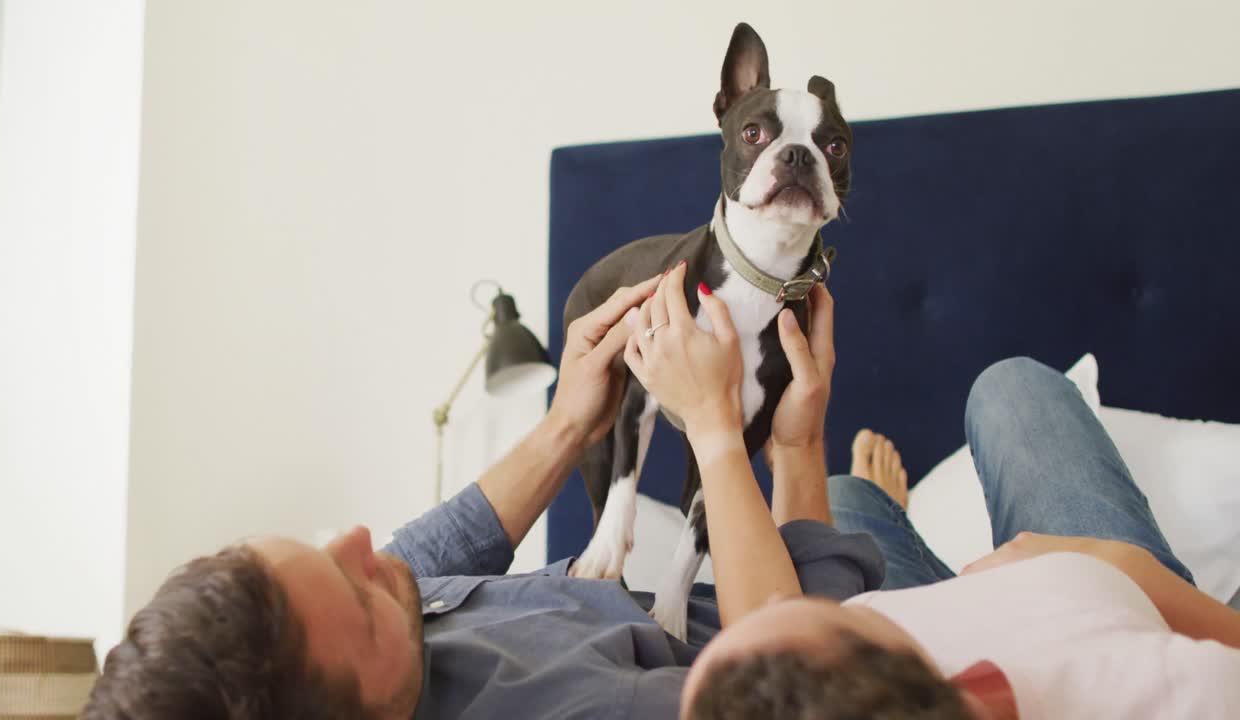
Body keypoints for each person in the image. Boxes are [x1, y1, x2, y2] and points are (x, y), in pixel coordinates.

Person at [83, 263, 883, 719]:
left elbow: (427, 551)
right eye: (355, 593)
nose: (363, 541)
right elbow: (806, 671)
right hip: (832, 607)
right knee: (1003, 399)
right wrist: (774, 441)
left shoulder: (367, 636)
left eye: (323, 552)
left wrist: (570, 422)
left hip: (763, 576)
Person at [680, 356, 1240, 719]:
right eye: (846, 616)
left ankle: (882, 508)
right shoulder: (1180, 688)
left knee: (851, 501)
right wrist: (1100, 562)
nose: (778, 595)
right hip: (1096, 594)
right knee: (1011, 389)